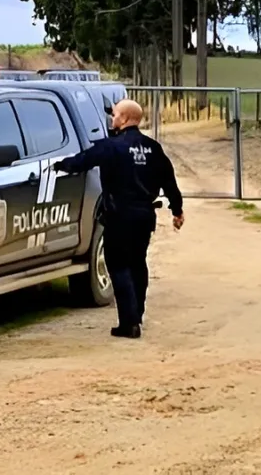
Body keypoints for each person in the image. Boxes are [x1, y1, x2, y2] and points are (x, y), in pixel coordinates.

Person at [53, 99, 184, 339]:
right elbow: (169, 180)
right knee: (138, 264)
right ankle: (137, 315)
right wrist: (177, 210)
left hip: (119, 216)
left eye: (114, 115)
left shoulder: (111, 147)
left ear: (124, 119)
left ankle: (129, 323)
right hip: (144, 217)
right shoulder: (153, 148)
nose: (112, 119)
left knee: (119, 266)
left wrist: (58, 165)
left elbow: (82, 161)